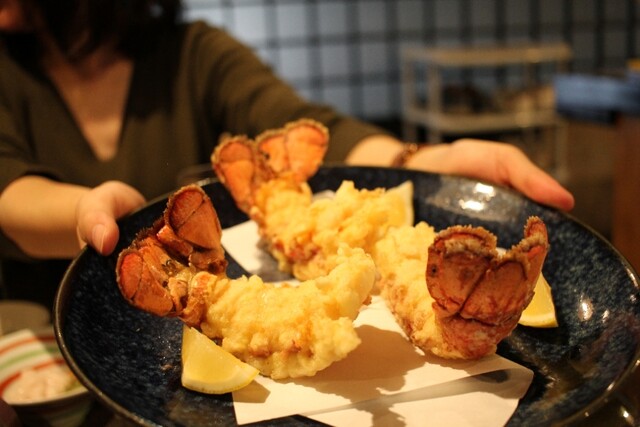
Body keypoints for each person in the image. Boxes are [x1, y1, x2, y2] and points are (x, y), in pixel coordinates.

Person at [0, 0, 574, 309]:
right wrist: (87, 209)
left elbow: (307, 124)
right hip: (41, 333)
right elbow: (9, 188)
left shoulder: (193, 53)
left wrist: (413, 162)